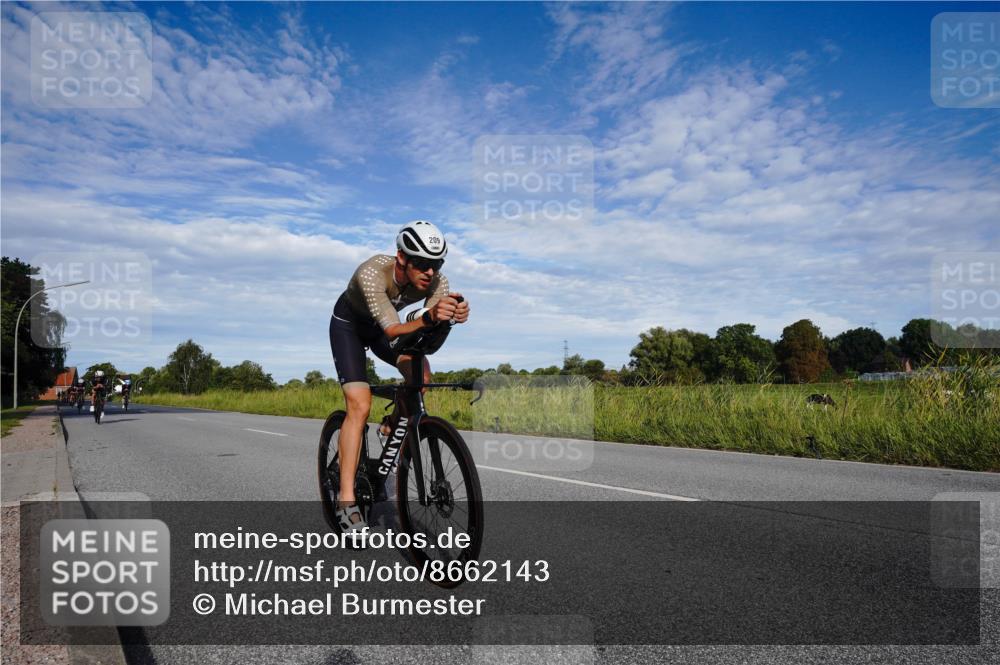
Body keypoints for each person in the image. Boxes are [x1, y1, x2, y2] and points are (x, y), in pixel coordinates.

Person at [329, 221, 469, 535]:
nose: (430, 272)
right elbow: (394, 330)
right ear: (401, 257)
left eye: (437, 264)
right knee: (359, 404)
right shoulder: (371, 273)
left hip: (383, 329)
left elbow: (422, 331)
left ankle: (392, 424)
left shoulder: (437, 282)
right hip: (350, 327)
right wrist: (431, 316)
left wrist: (451, 318)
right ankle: (346, 500)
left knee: (422, 373)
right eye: (421, 263)